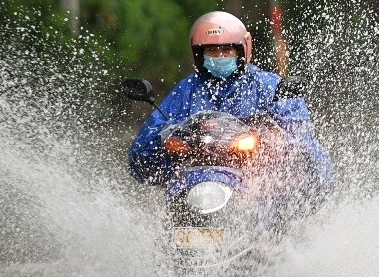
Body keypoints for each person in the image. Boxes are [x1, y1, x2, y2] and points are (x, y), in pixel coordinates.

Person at [128, 11, 334, 189]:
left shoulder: (268, 86)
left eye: (227, 50)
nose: (220, 56)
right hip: (196, 177)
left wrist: (275, 142)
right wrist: (166, 144)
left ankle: (275, 231)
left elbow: (301, 139)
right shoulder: (186, 90)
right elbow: (145, 144)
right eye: (212, 51)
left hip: (256, 182)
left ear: (242, 50)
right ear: (199, 54)